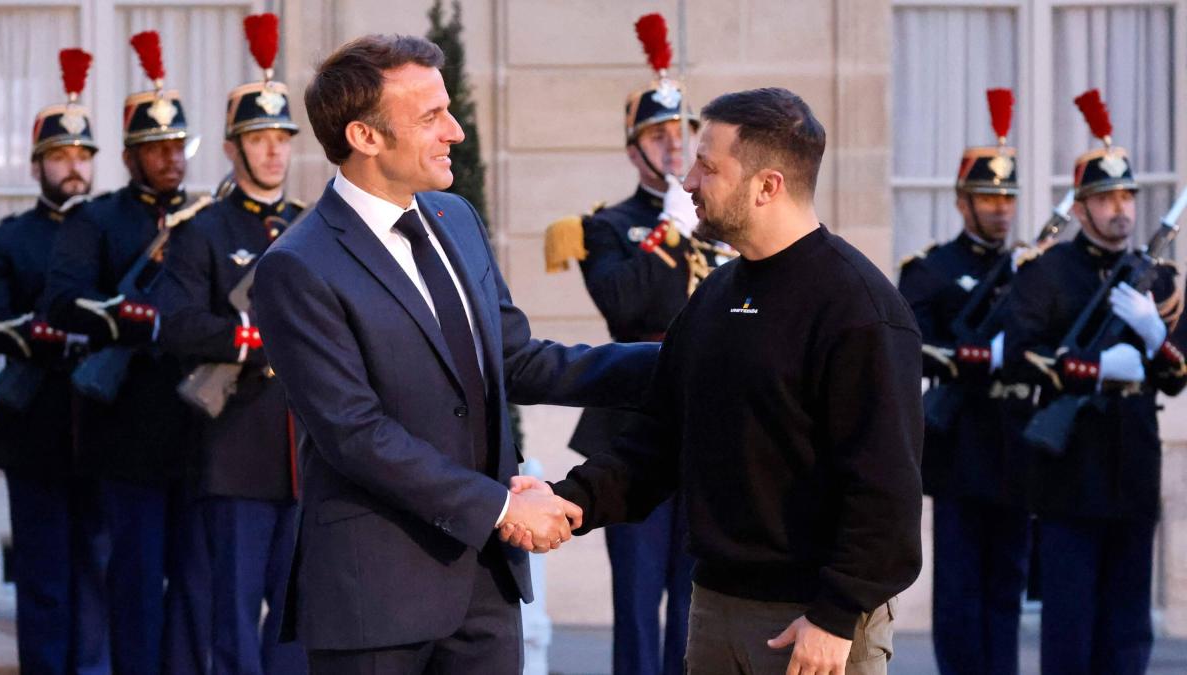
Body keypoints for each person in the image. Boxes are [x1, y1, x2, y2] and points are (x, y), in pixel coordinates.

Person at [251, 34, 658, 674]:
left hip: (486, 585)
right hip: (376, 598)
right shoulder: (297, 266)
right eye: (431, 116)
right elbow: (355, 434)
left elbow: (515, 360)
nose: (456, 131)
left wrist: (676, 362)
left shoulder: (455, 217)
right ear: (365, 136)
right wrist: (503, 508)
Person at [508, 87, 923, 675]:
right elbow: (658, 441)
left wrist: (835, 616)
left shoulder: (858, 309)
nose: (688, 182)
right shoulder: (716, 295)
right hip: (715, 608)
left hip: (814, 625)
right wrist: (567, 500)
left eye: (707, 166)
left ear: (767, 186)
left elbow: (886, 489)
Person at [541, 14, 726, 675]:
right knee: (639, 597)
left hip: (709, 426)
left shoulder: (719, 220)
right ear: (633, 150)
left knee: (699, 599)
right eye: (657, 135)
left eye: (681, 133)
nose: (674, 146)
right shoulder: (603, 227)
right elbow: (624, 305)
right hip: (636, 423)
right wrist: (671, 232)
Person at [41, 31, 209, 675]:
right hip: (127, 431)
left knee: (197, 585)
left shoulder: (206, 219)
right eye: (156, 147)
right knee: (135, 585)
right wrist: (129, 318)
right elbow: (63, 301)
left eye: (177, 145)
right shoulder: (97, 220)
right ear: (130, 155)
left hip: (200, 429)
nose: (171, 158)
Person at [1003, 89, 1187, 674]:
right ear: (1080, 210)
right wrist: (1096, 368)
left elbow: (1176, 376)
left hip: (1133, 460)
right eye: (1105, 199)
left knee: (1128, 627)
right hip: (1070, 467)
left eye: (1127, 196)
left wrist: (1154, 336)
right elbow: (1019, 355)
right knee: (1070, 623)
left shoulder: (1160, 280)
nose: (1120, 209)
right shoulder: (1049, 272)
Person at [154, 13, 307, 675]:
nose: (273, 152)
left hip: (304, 450)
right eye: (259, 138)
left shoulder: (310, 227)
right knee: (234, 617)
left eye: (281, 138)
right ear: (231, 148)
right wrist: (254, 338)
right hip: (236, 448)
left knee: (297, 619)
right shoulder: (202, 230)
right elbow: (177, 325)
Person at [897, 89, 1032, 675]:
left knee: (1008, 587)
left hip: (1016, 443)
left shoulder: (1029, 269)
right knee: (960, 590)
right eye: (988, 198)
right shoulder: (932, 269)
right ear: (961, 202)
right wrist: (975, 356)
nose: (1001, 210)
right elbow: (911, 347)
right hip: (961, 445)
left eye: (1008, 198)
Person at [0, 47, 109, 675]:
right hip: (35, 425)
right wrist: (55, 334)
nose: (73, 167)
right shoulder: (8, 238)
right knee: (44, 575)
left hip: (105, 426)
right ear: (37, 164)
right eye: (60, 156)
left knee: (99, 570)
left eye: (83, 156)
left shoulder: (112, 228)